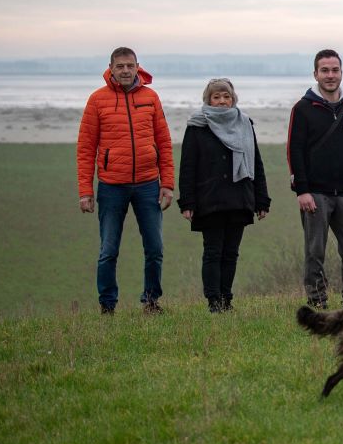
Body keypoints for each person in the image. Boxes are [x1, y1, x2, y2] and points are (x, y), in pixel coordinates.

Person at [76, 46, 174, 315]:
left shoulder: (151, 97)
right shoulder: (97, 100)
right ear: (111, 68)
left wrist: (167, 184)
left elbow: (164, 142)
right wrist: (85, 191)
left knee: (155, 248)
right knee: (108, 250)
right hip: (111, 186)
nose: (125, 71)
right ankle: (107, 305)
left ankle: (151, 302)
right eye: (120, 66)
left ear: (137, 66)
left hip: (148, 184)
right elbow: (86, 148)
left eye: (130, 66)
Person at [287, 49, 343, 309]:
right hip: (315, 195)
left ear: (341, 73)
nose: (330, 75)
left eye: (335, 70)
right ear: (315, 74)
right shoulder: (302, 108)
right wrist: (302, 190)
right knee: (315, 252)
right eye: (324, 70)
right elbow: (294, 150)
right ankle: (317, 301)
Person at [178, 79, 270, 312]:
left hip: (239, 198)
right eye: (216, 97)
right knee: (213, 252)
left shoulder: (245, 123)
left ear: (233, 99)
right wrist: (187, 202)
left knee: (231, 253)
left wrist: (262, 200)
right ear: (208, 100)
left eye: (226, 97)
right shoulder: (197, 125)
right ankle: (214, 301)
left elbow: (256, 163)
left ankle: (226, 299)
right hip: (209, 200)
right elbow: (187, 166)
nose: (221, 101)